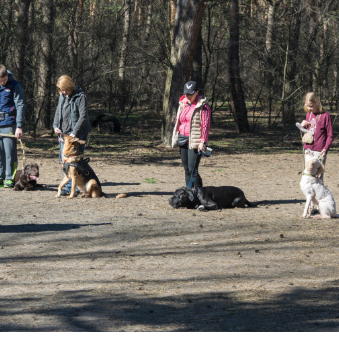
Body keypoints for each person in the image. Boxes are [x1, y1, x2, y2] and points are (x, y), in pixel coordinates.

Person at [53, 75, 92, 195]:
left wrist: (74, 132)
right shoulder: (62, 96)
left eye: (66, 89)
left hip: (78, 134)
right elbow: (57, 113)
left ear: (71, 86)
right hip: (64, 135)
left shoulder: (81, 97)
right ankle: (68, 187)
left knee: (74, 163)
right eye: (62, 90)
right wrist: (55, 126)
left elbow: (83, 117)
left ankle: (72, 189)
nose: (64, 92)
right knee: (64, 161)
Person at [172, 81, 211, 188]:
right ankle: (190, 195)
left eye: (191, 94)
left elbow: (206, 125)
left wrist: (203, 141)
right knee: (186, 171)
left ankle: (200, 195)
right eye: (186, 94)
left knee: (193, 170)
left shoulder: (203, 106)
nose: (188, 96)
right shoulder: (183, 104)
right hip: (182, 138)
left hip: (194, 141)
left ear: (197, 92)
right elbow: (178, 120)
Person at [0, 65, 24, 188]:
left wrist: (19, 126)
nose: (2, 83)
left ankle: (10, 177)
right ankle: (0, 177)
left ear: (6, 76)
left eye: (3, 80)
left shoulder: (15, 85)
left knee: (10, 153)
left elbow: (20, 105)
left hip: (9, 123)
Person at [301, 92, 333, 183]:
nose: (309, 108)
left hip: (319, 151)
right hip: (308, 150)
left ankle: (320, 197)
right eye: (307, 106)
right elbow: (307, 134)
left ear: (317, 102)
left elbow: (330, 135)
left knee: (318, 179)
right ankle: (310, 197)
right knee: (308, 177)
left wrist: (325, 149)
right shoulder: (308, 115)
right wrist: (302, 127)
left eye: (311, 106)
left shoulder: (325, 116)